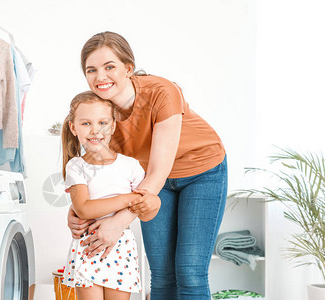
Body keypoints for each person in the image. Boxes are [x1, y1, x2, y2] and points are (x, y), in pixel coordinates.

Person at [67, 31, 228, 300]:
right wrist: (76, 208)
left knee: (189, 272)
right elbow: (103, 171)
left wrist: (118, 223)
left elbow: (156, 173)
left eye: (110, 67)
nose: (100, 77)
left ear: (128, 68)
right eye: (91, 70)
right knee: (162, 274)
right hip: (149, 185)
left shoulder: (162, 92)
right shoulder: (102, 115)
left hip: (201, 171)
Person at [61, 91, 158, 300]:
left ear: (113, 126)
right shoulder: (76, 166)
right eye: (86, 123)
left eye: (102, 122)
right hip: (89, 247)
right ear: (73, 128)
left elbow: (147, 212)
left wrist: (150, 201)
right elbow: (84, 208)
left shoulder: (131, 166)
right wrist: (129, 199)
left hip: (121, 248)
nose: (95, 130)